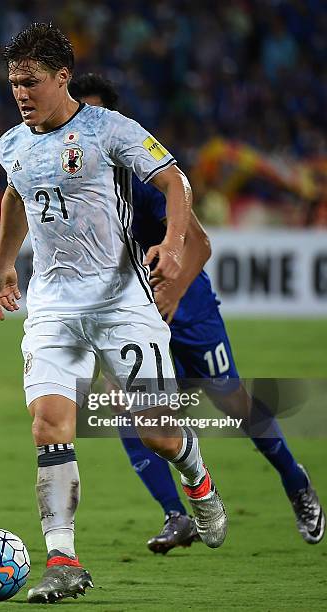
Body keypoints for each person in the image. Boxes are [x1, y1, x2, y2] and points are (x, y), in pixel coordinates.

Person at [0, 23, 227, 604]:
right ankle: (64, 559)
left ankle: (196, 476)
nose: (20, 93)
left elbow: (174, 179)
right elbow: (16, 195)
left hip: (121, 300)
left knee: (158, 434)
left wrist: (171, 245)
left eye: (31, 82)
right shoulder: (11, 144)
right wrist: (4, 266)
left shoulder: (109, 129)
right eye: (14, 82)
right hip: (52, 306)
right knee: (49, 422)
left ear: (62, 78)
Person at [68, 72, 325, 553]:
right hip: (132, 315)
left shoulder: (143, 181)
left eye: (92, 114)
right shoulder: (74, 191)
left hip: (189, 311)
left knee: (233, 402)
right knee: (122, 409)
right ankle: (176, 515)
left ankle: (296, 482)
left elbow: (201, 246)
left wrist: (173, 297)